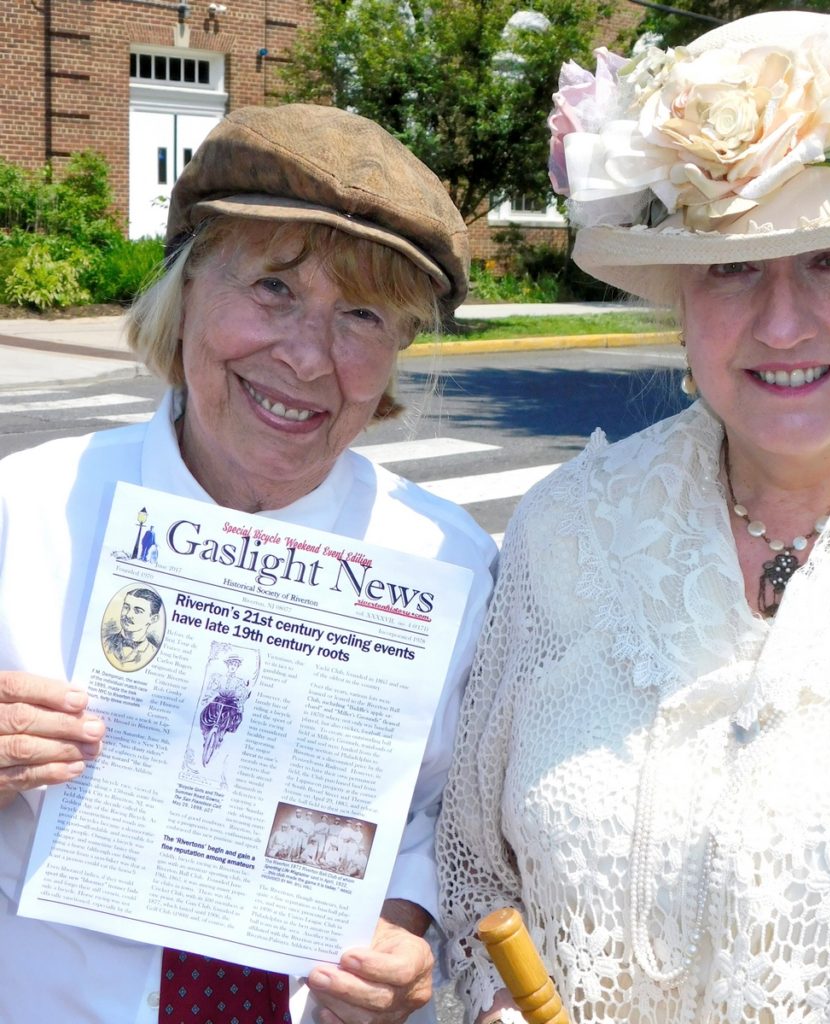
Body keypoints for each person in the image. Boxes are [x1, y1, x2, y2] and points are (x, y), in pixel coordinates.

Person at [437, 3, 830, 1022]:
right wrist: (490, 997)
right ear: (676, 297)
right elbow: (472, 879)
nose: (781, 321)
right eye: (731, 268)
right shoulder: (562, 534)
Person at [0, 103, 496, 1024]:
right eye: (273, 290)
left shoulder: (447, 566)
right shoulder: (19, 513)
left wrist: (407, 927)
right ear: (186, 290)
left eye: (361, 316)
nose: (308, 358)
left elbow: (439, 816)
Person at [102, 586, 164, 670]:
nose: (128, 615)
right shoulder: (105, 641)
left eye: (138, 611)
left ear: (153, 619)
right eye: (126, 607)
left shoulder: (153, 653)